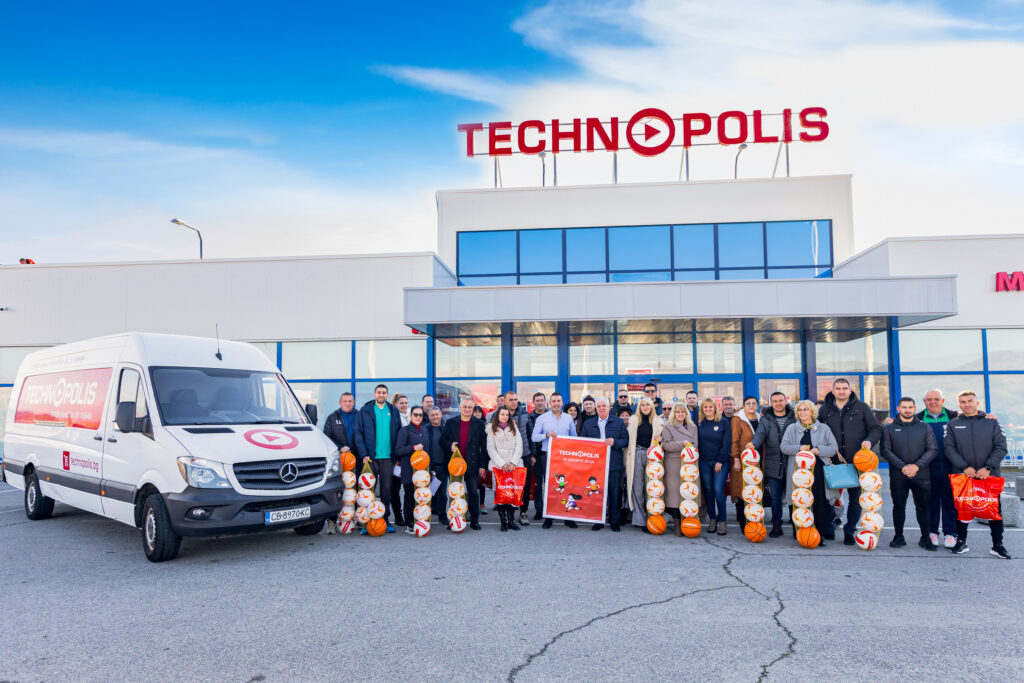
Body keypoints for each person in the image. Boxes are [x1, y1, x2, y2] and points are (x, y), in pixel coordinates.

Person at [944, 391, 1011, 558]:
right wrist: (964, 467)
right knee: (963, 509)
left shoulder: (992, 422)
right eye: (963, 402)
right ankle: (961, 542)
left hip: (989, 475)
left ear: (977, 403)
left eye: (970, 401)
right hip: (964, 475)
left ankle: (997, 545)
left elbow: (1001, 447)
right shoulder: (953, 424)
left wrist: (988, 467)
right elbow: (949, 448)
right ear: (959, 405)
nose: (967, 404)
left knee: (994, 510)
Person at [817, 378, 881, 545]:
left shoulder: (862, 408)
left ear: (850, 390)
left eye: (844, 388)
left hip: (857, 461)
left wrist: (869, 441)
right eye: (838, 388)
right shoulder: (824, 410)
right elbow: (818, 431)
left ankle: (850, 530)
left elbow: (875, 428)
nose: (841, 391)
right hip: (832, 461)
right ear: (833, 391)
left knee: (855, 498)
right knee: (829, 497)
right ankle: (829, 527)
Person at [781, 400, 841, 546]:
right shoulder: (791, 428)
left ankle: (818, 535)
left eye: (806, 410)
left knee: (820, 503)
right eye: (800, 410)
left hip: (818, 471)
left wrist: (819, 450)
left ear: (812, 412)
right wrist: (798, 448)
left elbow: (834, 449)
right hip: (798, 473)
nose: (802, 412)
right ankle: (800, 532)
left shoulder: (824, 428)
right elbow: (784, 447)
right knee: (799, 500)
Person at [881, 397, 938, 550]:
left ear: (915, 408)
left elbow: (932, 449)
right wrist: (903, 466)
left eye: (910, 407)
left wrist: (916, 466)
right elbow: (885, 450)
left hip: (921, 474)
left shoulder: (925, 427)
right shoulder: (889, 428)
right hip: (898, 475)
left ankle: (925, 538)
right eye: (904, 407)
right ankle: (898, 537)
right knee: (898, 506)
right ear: (898, 409)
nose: (907, 410)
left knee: (923, 507)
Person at [355, 384, 402, 533]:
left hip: (388, 458)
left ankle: (386, 521)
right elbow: (358, 433)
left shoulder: (393, 410)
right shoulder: (365, 410)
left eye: (384, 392)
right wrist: (364, 454)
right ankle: (366, 523)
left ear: (387, 395)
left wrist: (397, 456)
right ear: (374, 394)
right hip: (370, 458)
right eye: (379, 392)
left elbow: (399, 433)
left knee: (386, 492)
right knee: (368, 492)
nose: (381, 395)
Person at [917, 390, 960, 549]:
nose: (933, 402)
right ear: (924, 401)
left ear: (943, 400)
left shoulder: (955, 417)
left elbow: (974, 416)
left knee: (950, 502)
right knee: (930, 502)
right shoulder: (917, 419)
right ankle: (932, 532)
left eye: (936, 399)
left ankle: (950, 533)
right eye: (929, 399)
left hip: (951, 467)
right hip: (928, 468)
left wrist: (986, 415)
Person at [751, 392, 796, 537]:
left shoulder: (794, 417)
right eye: (775, 401)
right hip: (773, 462)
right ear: (771, 403)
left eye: (780, 400)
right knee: (775, 497)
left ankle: (796, 524)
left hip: (792, 461)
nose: (778, 403)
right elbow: (760, 435)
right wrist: (753, 445)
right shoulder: (766, 419)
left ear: (785, 401)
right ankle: (777, 525)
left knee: (793, 495)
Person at [530, 392, 578, 529]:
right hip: (548, 456)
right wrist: (546, 435)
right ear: (549, 403)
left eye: (558, 401)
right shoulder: (542, 418)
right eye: (554, 401)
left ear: (562, 403)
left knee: (566, 486)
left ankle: (567, 517)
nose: (556, 403)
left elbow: (574, 437)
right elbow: (534, 437)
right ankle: (549, 517)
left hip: (565, 457)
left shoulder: (568, 418)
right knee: (550, 487)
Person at [581, 397, 628, 532]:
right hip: (595, 465)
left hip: (614, 463)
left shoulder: (618, 422)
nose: (601, 408)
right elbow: (583, 443)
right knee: (597, 494)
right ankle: (598, 521)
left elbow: (626, 441)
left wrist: (615, 442)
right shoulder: (588, 424)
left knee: (615, 494)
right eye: (599, 406)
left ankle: (614, 522)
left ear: (609, 408)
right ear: (596, 409)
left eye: (604, 406)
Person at [440, 398, 487, 531]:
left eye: (470, 407)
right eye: (465, 407)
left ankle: (474, 520)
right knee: (455, 493)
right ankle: (454, 519)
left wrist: (483, 465)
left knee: (473, 492)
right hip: (456, 464)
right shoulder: (451, 423)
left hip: (472, 463)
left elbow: (484, 446)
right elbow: (443, 440)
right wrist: (450, 445)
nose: (467, 409)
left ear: (472, 409)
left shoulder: (479, 424)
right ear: (460, 408)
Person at [661, 403, 698, 536]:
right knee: (676, 496)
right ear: (674, 414)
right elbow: (666, 445)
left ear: (686, 413)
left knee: (688, 493)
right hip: (674, 463)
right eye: (677, 412)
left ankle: (688, 523)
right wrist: (681, 444)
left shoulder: (693, 427)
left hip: (690, 463)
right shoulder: (668, 426)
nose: (680, 414)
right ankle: (677, 525)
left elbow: (696, 445)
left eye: (683, 411)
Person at [626, 397, 663, 529]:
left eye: (648, 405)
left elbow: (664, 440)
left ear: (652, 407)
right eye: (643, 405)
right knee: (637, 487)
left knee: (651, 487)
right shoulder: (633, 420)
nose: (645, 407)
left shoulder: (658, 421)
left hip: (652, 456)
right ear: (639, 407)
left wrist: (661, 439)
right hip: (636, 454)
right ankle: (639, 520)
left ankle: (651, 517)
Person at [486, 406, 523, 532]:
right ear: (497, 415)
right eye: (502, 414)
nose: (505, 417)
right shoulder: (491, 429)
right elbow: (491, 449)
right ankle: (503, 522)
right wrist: (502, 464)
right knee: (501, 494)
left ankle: (511, 521)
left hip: (514, 466)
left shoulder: (514, 427)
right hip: (498, 467)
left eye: (507, 415)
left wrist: (513, 462)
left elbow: (519, 446)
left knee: (512, 494)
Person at [697, 398, 731, 535]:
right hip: (704, 462)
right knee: (708, 491)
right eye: (705, 407)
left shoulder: (723, 422)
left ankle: (722, 520)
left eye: (710, 407)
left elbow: (726, 443)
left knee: (718, 490)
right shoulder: (701, 423)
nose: (708, 409)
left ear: (715, 408)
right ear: (702, 409)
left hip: (720, 462)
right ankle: (712, 519)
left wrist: (720, 461)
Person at [395, 406, 427, 534]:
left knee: (421, 497)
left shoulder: (425, 430)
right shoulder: (405, 431)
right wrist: (413, 447)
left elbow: (428, 451)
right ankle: (409, 523)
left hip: (422, 471)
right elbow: (398, 450)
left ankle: (420, 519)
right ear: (410, 416)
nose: (418, 417)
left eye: (420, 415)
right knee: (410, 497)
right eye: (415, 414)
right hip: (409, 469)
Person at [503, 391, 532, 526]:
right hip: (506, 458)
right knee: (508, 486)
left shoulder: (525, 414)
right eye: (511, 400)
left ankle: (523, 512)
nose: (514, 402)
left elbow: (530, 435)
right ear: (505, 401)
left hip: (524, 455)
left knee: (524, 486)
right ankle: (509, 514)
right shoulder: (500, 415)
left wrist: (532, 455)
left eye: (515, 399)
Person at [728, 395, 758, 525]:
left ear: (757, 406)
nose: (751, 406)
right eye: (748, 403)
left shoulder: (760, 419)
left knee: (754, 489)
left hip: (757, 461)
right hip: (742, 460)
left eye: (753, 403)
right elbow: (734, 440)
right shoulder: (737, 419)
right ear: (744, 406)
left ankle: (753, 518)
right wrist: (736, 459)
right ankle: (743, 521)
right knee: (742, 490)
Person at [423, 407, 448, 524]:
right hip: (430, 466)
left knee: (442, 493)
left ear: (441, 415)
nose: (435, 417)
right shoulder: (425, 430)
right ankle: (426, 515)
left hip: (443, 465)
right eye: (432, 415)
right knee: (430, 492)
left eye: (437, 414)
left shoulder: (446, 429)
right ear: (429, 416)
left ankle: (442, 515)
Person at [527, 392, 547, 522]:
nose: (540, 402)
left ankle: (552, 508)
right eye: (537, 400)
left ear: (545, 402)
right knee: (538, 484)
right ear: (534, 403)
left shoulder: (552, 416)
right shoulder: (530, 418)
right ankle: (539, 509)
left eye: (541, 400)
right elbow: (529, 437)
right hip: (537, 455)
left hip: (551, 454)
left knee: (553, 483)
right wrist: (532, 455)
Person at [323, 391, 359, 457]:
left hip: (358, 456)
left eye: (350, 401)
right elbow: (326, 437)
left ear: (353, 402)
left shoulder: (360, 416)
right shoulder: (332, 418)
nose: (347, 404)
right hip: (340, 457)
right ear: (340, 403)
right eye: (345, 401)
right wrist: (340, 447)